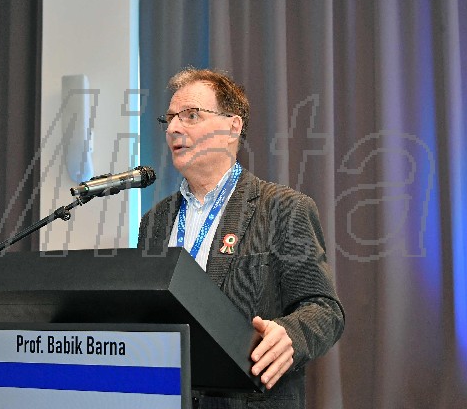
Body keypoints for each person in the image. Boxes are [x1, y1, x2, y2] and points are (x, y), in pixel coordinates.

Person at [137, 68, 344, 408]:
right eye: (170, 118)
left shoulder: (283, 209)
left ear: (232, 127)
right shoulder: (154, 222)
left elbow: (325, 309)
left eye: (191, 115)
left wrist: (290, 335)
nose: (173, 128)